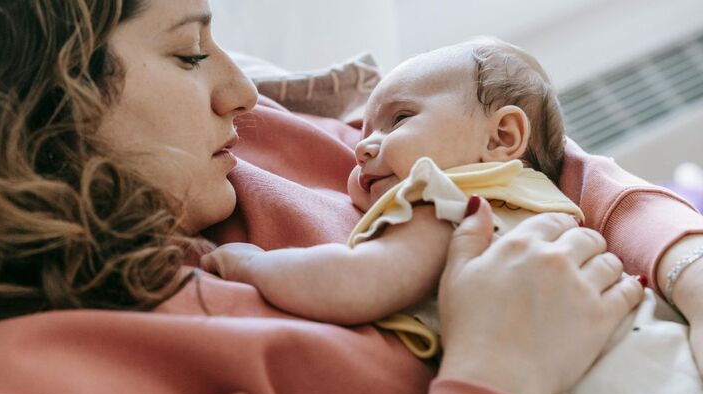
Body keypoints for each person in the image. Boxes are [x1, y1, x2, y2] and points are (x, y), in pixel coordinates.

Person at [0, 1, 695, 394]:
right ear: (37, 99)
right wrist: (499, 374)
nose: (241, 90)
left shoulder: (248, 137)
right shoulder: (18, 373)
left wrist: (685, 262)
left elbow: (538, 164)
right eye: (189, 52)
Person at [200, 38, 600, 359]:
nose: (362, 149)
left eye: (400, 119)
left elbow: (357, 283)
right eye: (362, 134)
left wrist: (252, 263)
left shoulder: (446, 198)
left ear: (502, 138)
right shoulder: (546, 201)